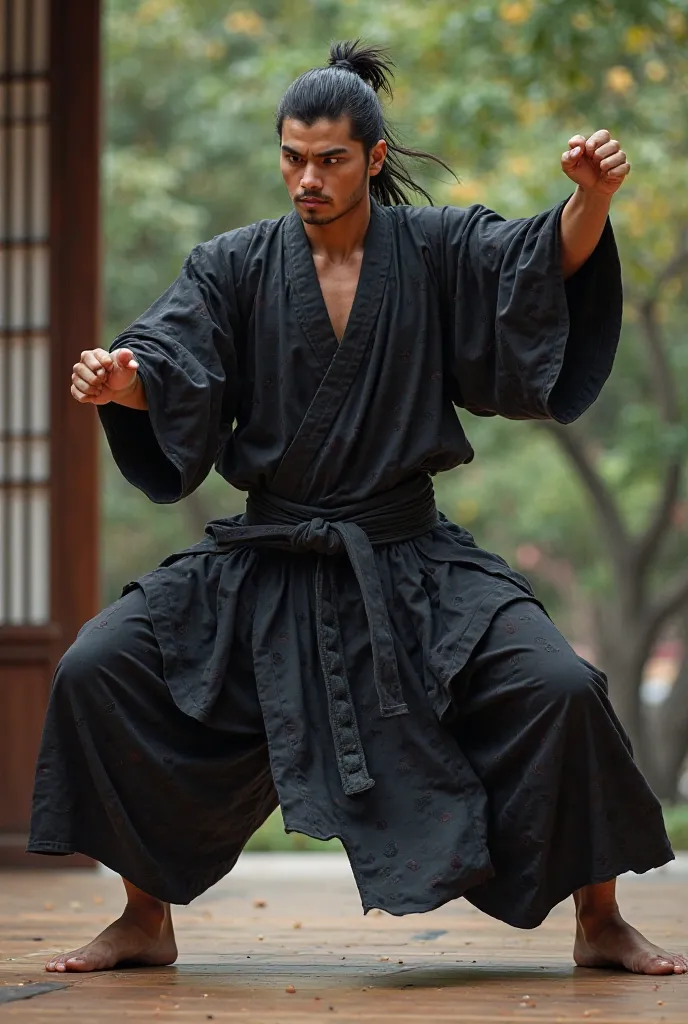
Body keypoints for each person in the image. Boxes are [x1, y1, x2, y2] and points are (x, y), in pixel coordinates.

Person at [31, 40, 686, 977]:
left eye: (329, 159)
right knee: (99, 667)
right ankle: (144, 915)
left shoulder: (435, 249)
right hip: (268, 552)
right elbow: (172, 366)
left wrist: (591, 199)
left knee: (562, 689)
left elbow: (537, 267)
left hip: (404, 550)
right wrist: (122, 384)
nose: (306, 178)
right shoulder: (233, 265)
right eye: (292, 157)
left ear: (374, 159)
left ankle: (601, 919)